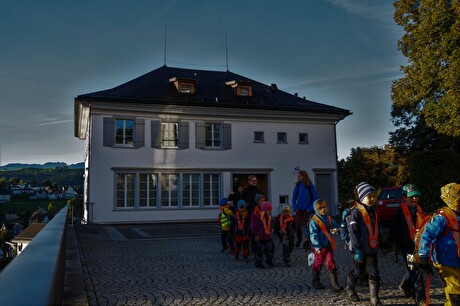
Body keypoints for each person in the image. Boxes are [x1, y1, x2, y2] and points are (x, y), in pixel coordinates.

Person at [416, 182, 460, 306]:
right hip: (446, 262)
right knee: (454, 296)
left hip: (457, 260)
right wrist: (423, 257)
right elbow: (427, 235)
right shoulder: (442, 218)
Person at [345, 182, 387, 306]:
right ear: (361, 197)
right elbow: (353, 232)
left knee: (374, 272)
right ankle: (350, 288)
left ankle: (374, 298)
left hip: (372, 248)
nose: (373, 199)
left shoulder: (374, 211)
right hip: (360, 249)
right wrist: (356, 249)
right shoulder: (356, 212)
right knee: (358, 272)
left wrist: (383, 243)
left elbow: (377, 228)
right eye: (369, 196)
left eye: (374, 196)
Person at [386, 184, 427, 305]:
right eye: (412, 197)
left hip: (418, 247)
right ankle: (420, 298)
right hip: (406, 247)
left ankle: (405, 284)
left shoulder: (420, 210)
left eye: (416, 196)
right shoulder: (399, 214)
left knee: (413, 269)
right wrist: (388, 245)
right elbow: (393, 231)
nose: (415, 199)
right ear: (404, 198)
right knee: (415, 271)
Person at [309, 199, 343, 291]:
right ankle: (315, 281)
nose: (323, 210)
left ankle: (334, 284)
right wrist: (317, 246)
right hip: (319, 247)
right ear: (316, 209)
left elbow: (335, 226)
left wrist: (337, 230)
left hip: (328, 246)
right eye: (320, 208)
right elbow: (313, 234)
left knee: (331, 262)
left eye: (324, 207)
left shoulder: (329, 218)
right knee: (318, 264)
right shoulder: (314, 221)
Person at [292, 170, 318, 247]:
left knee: (309, 226)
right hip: (299, 209)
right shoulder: (298, 185)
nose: (298, 177)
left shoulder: (310, 185)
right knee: (298, 225)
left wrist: (309, 209)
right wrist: (295, 207)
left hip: (308, 209)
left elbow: (315, 198)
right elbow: (294, 197)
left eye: (299, 176)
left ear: (303, 176)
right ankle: (299, 238)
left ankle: (308, 241)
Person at [251, 201, 275, 268]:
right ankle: (258, 263)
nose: (270, 211)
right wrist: (256, 235)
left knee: (270, 249)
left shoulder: (269, 217)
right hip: (261, 237)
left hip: (268, 236)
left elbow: (270, 226)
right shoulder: (258, 217)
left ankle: (269, 261)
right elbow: (254, 226)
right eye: (269, 210)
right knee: (260, 251)